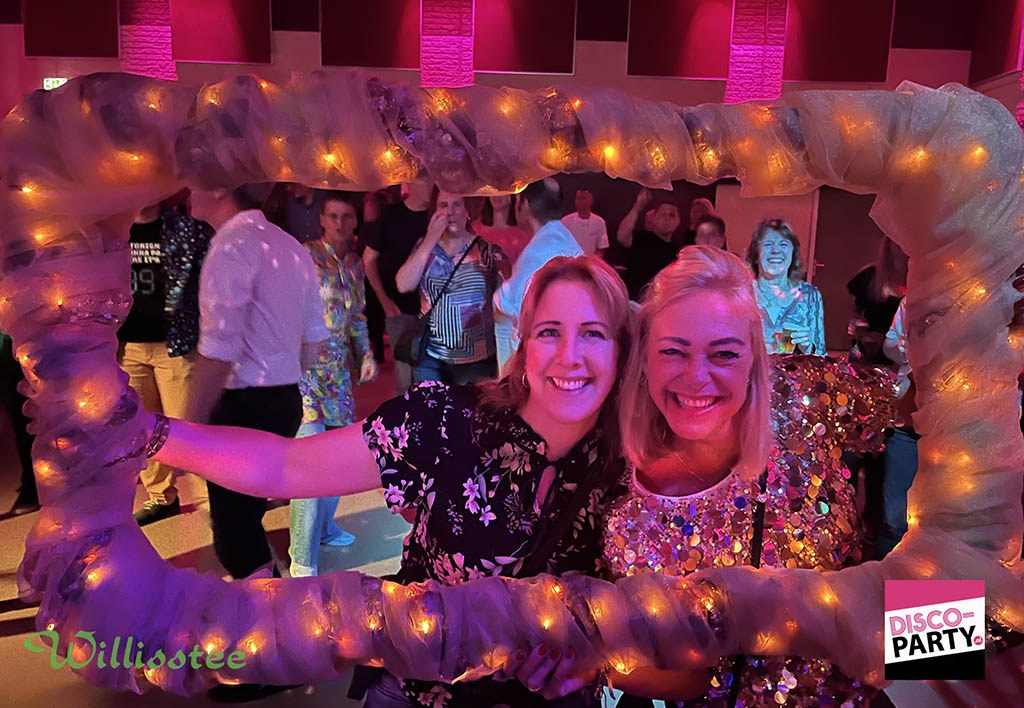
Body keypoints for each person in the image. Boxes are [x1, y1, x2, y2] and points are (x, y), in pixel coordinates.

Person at [141, 256, 635, 707]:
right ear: (524, 346)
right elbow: (285, 465)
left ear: (622, 350)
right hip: (417, 692)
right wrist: (145, 433)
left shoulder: (633, 468)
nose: (569, 355)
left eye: (593, 333)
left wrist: (595, 662)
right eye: (549, 332)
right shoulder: (446, 422)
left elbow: (649, 627)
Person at [601, 246, 892, 706]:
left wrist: (953, 641)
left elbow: (934, 404)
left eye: (723, 354)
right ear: (645, 360)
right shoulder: (621, 503)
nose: (697, 377)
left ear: (755, 358)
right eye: (673, 351)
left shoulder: (805, 397)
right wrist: (591, 667)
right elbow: (689, 681)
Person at [186, 183, 328, 584]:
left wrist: (189, 424)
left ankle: (271, 614)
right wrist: (281, 371)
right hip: (283, 400)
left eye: (195, 179)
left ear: (220, 187)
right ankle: (273, 605)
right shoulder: (289, 245)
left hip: (242, 406)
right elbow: (314, 340)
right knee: (246, 522)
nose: (188, 189)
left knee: (236, 536)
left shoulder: (232, 245)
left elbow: (219, 350)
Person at [290, 194, 379, 577]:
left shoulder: (354, 263)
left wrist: (366, 354)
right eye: (332, 216)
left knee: (339, 459)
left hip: (338, 376)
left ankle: (324, 529)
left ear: (355, 221)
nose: (340, 224)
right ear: (322, 219)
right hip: (305, 373)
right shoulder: (304, 257)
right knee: (309, 463)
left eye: (346, 217)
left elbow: (356, 315)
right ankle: (302, 558)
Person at [119, 191, 213, 525]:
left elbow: (206, 281)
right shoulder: (115, 230)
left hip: (175, 344)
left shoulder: (184, 228)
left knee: (188, 427)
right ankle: (161, 496)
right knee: (141, 425)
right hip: (128, 345)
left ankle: (210, 500)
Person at [396, 191, 507, 385]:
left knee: (469, 405)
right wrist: (430, 239)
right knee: (430, 404)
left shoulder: (486, 250)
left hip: (475, 359)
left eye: (457, 205)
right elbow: (403, 285)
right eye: (443, 206)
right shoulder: (425, 247)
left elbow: (507, 301)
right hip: (431, 355)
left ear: (467, 211)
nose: (450, 212)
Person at [494, 178, 583, 374]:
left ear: (524, 204)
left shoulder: (540, 250)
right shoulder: (560, 237)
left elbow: (506, 306)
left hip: (546, 359)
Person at [363, 179, 434, 394]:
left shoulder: (436, 215)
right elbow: (368, 259)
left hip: (434, 312)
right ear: (409, 183)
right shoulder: (391, 216)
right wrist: (385, 301)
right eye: (425, 179)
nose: (430, 184)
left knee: (431, 378)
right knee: (406, 381)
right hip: (400, 309)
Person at [746, 218, 826, 355]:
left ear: (793, 255)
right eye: (768, 244)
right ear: (756, 255)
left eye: (783, 244)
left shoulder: (809, 295)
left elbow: (821, 356)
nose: (775, 250)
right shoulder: (743, 293)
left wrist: (808, 348)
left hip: (792, 369)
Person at [615, 188, 682, 300]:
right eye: (663, 214)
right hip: (635, 301)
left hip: (660, 303)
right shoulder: (641, 238)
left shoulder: (679, 252)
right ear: (654, 219)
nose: (667, 218)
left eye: (672, 215)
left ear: (678, 221)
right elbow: (622, 236)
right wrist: (637, 207)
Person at [475, 193, 530, 263]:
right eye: (494, 190)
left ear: (512, 196)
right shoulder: (475, 227)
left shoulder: (521, 235)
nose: (497, 194)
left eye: (503, 191)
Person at [561, 188, 609, 256]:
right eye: (577, 199)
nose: (579, 201)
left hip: (590, 260)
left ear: (591, 201)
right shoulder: (565, 221)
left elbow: (601, 248)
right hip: (570, 260)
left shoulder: (599, 222)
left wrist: (592, 261)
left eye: (583, 198)